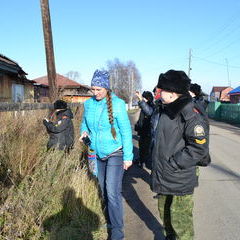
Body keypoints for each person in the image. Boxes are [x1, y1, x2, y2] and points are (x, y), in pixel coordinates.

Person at [151, 70, 209, 240]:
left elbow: (199, 148)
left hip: (179, 177)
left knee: (181, 224)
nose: (159, 92)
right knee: (166, 219)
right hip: (163, 176)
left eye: (162, 90)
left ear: (173, 93)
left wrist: (174, 164)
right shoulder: (164, 110)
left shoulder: (190, 113)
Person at [80, 70, 133, 240]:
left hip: (115, 153)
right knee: (103, 190)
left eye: (99, 90)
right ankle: (110, 221)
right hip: (96, 153)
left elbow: (126, 131)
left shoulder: (118, 104)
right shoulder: (88, 104)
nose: (95, 93)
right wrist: (83, 133)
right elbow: (84, 124)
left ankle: (117, 232)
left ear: (107, 89)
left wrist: (128, 156)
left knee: (112, 191)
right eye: (93, 89)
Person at [134, 91, 154, 169]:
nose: (143, 99)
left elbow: (148, 113)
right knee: (141, 147)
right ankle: (141, 160)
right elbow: (141, 119)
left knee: (146, 148)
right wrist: (138, 125)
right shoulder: (143, 108)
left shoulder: (151, 106)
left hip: (147, 131)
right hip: (143, 131)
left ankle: (144, 162)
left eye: (144, 98)